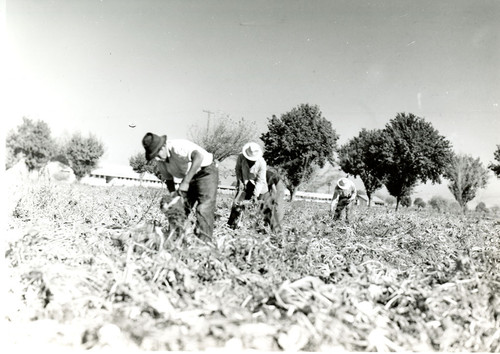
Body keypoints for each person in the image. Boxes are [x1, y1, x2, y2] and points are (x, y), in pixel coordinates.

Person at [142, 132, 219, 241]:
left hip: (206, 171)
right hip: (190, 176)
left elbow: (198, 156)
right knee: (179, 208)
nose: (157, 157)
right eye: (154, 154)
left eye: (157, 152)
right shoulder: (160, 161)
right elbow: (169, 180)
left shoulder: (178, 147)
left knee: (204, 208)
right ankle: (176, 240)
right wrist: (174, 197)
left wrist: (186, 182)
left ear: (163, 146)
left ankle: (204, 245)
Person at [227, 142, 269, 229]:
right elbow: (238, 169)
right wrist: (240, 181)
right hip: (245, 183)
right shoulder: (241, 157)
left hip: (259, 187)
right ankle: (232, 225)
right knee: (237, 204)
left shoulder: (262, 163)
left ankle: (252, 228)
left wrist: (255, 195)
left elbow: (260, 181)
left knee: (255, 209)